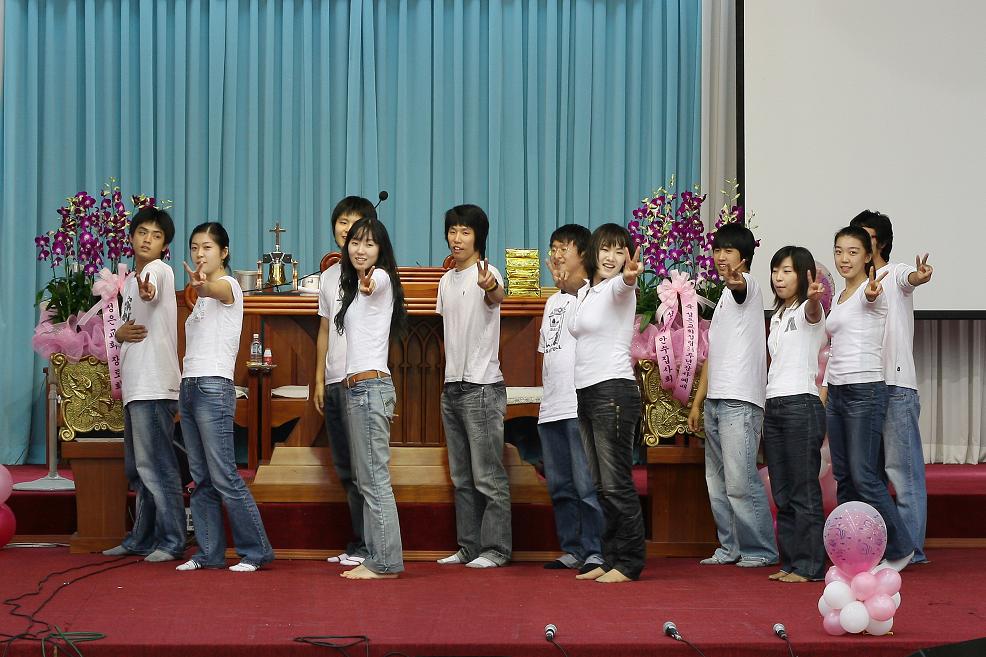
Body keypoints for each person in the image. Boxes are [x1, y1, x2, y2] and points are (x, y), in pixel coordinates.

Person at [176, 222, 274, 572]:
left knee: (224, 475)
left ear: (224, 252)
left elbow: (214, 288)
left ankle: (257, 551)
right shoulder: (200, 297)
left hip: (213, 387)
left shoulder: (228, 285)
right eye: (194, 248)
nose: (199, 254)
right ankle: (209, 553)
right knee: (200, 477)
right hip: (189, 385)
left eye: (207, 247)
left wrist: (202, 285)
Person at [823, 225, 914, 571]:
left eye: (853, 252)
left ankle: (901, 547)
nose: (844, 259)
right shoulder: (839, 298)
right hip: (838, 391)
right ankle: (853, 549)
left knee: (864, 475)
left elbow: (872, 299)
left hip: (865, 390)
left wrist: (872, 293)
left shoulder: (870, 290)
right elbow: (835, 347)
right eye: (839, 251)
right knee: (844, 477)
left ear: (867, 256)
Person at [688, 222, 778, 569]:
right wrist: (698, 401)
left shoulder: (748, 287)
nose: (720, 256)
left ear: (745, 257)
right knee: (717, 481)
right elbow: (713, 354)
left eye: (728, 250)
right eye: (717, 250)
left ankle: (762, 550)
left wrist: (736, 280)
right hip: (716, 400)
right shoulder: (724, 299)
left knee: (741, 480)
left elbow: (740, 286)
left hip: (740, 400)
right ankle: (730, 548)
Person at [850, 210, 934, 565]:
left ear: (881, 243)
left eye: (866, 237)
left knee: (904, 474)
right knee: (868, 474)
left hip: (896, 387)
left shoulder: (895, 272)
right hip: (863, 388)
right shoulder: (852, 286)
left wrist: (918, 275)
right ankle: (883, 547)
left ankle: (911, 550)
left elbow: (910, 278)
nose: (858, 244)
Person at [103, 207, 185, 562]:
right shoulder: (131, 281)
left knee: (157, 467)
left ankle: (173, 540)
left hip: (153, 385)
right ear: (131, 236)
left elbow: (152, 291)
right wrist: (119, 333)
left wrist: (148, 291)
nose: (147, 239)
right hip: (137, 386)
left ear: (165, 245)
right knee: (138, 469)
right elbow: (127, 328)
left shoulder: (157, 271)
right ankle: (141, 538)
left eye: (156, 235)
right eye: (142, 232)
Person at [566, 223, 645, 583]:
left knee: (616, 484)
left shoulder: (617, 289)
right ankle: (611, 558)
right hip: (586, 393)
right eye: (606, 249)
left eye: (619, 250)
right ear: (594, 252)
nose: (612, 258)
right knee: (600, 486)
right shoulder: (587, 291)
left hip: (613, 391)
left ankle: (629, 563)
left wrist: (629, 277)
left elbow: (625, 284)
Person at [436, 204, 512, 569]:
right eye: (453, 230)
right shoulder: (446, 280)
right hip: (452, 386)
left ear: (478, 237)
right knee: (462, 478)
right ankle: (468, 547)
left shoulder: (487, 273)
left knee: (488, 476)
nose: (457, 238)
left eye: (465, 231)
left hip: (482, 386)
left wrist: (490, 286)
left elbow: (497, 296)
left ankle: (496, 550)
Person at [333, 216, 408, 579]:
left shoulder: (381, 279)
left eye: (369, 243)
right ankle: (378, 557)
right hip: (358, 390)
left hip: (369, 389)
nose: (360, 249)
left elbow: (374, 283)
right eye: (355, 242)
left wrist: (368, 282)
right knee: (367, 482)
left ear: (381, 250)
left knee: (375, 480)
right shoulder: (353, 287)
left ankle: (385, 561)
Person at [314, 196, 377, 567]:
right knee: (345, 469)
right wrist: (319, 379)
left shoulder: (375, 274)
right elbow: (324, 330)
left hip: (362, 381)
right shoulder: (327, 277)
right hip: (335, 380)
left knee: (363, 470)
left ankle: (372, 546)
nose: (346, 228)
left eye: (355, 222)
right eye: (341, 221)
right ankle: (358, 544)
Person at [538, 224, 604, 573]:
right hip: (552, 405)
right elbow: (547, 352)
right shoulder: (552, 301)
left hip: (580, 405)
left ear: (583, 254)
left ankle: (596, 550)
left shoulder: (594, 295)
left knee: (586, 484)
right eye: (553, 247)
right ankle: (573, 548)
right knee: (561, 485)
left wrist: (572, 288)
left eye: (565, 247)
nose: (557, 254)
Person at [762, 246, 827, 582]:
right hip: (774, 405)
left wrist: (814, 299)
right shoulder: (777, 315)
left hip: (801, 404)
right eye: (775, 271)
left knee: (803, 489)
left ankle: (811, 566)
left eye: (787, 271)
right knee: (783, 492)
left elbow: (813, 313)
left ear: (803, 275)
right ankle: (790, 562)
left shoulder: (807, 309)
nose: (779, 277)